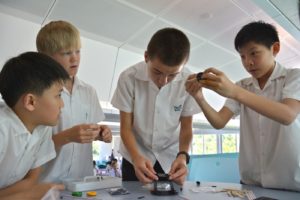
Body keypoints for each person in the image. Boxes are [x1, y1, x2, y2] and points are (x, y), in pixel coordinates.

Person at [185, 21, 300, 191]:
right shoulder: (242, 86)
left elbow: (287, 115)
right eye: (243, 56)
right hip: (251, 182)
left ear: (275, 49)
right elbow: (219, 122)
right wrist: (199, 98)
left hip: (290, 183)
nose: (248, 63)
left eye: (254, 53)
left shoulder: (294, 77)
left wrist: (234, 91)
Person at [111, 27, 200, 185]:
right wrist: (136, 157)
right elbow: (125, 127)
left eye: (172, 75)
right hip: (135, 154)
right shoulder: (128, 78)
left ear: (184, 65)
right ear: (146, 57)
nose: (163, 81)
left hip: (170, 158)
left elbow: (186, 128)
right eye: (157, 72)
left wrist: (183, 155)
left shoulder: (188, 80)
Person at [36, 20, 112, 183]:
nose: (75, 59)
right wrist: (67, 137)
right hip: (47, 185)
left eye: (78, 51)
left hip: (82, 182)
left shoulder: (89, 92)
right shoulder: (37, 93)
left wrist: (100, 133)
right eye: (66, 53)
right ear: (46, 58)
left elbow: (90, 131)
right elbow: (31, 149)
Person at [0, 52, 69, 197]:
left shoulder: (42, 129)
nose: (62, 104)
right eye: (58, 95)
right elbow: (30, 190)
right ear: (31, 102)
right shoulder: (3, 130)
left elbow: (31, 180)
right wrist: (29, 195)